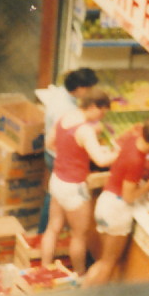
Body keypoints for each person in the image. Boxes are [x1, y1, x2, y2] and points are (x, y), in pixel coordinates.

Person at [81, 117, 149, 288]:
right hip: (117, 211)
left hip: (105, 203)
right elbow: (129, 196)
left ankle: (84, 291)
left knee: (103, 261)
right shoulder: (136, 162)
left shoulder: (133, 141)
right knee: (108, 264)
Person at [40, 87, 116, 275]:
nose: (102, 117)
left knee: (53, 228)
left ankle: (43, 268)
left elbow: (50, 143)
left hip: (57, 179)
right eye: (101, 112)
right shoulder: (85, 131)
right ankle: (80, 274)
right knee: (79, 236)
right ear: (92, 107)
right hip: (74, 187)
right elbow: (101, 160)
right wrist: (120, 152)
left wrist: (69, 155)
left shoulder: (65, 118)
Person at [38, 68, 98, 234]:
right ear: (80, 88)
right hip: (58, 156)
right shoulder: (66, 110)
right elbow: (59, 138)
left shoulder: (60, 93)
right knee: (56, 198)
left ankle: (46, 233)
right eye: (89, 89)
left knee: (54, 195)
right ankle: (43, 233)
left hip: (53, 153)